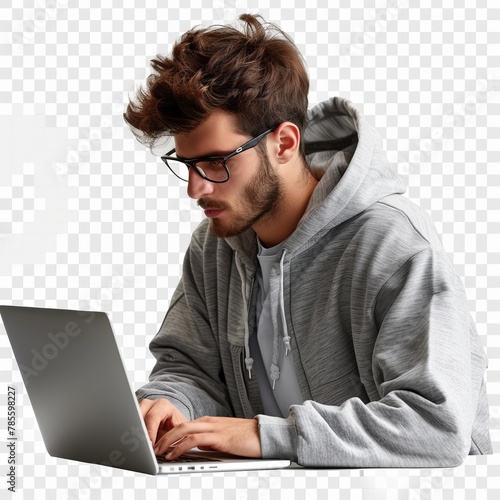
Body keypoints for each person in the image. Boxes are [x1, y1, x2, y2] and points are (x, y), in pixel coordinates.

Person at [123, 14, 492, 467]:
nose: (196, 189)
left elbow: (438, 425)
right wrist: (171, 403)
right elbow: (192, 371)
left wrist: (269, 434)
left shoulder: (391, 242)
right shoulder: (214, 247)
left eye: (217, 162)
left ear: (283, 143)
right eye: (186, 163)